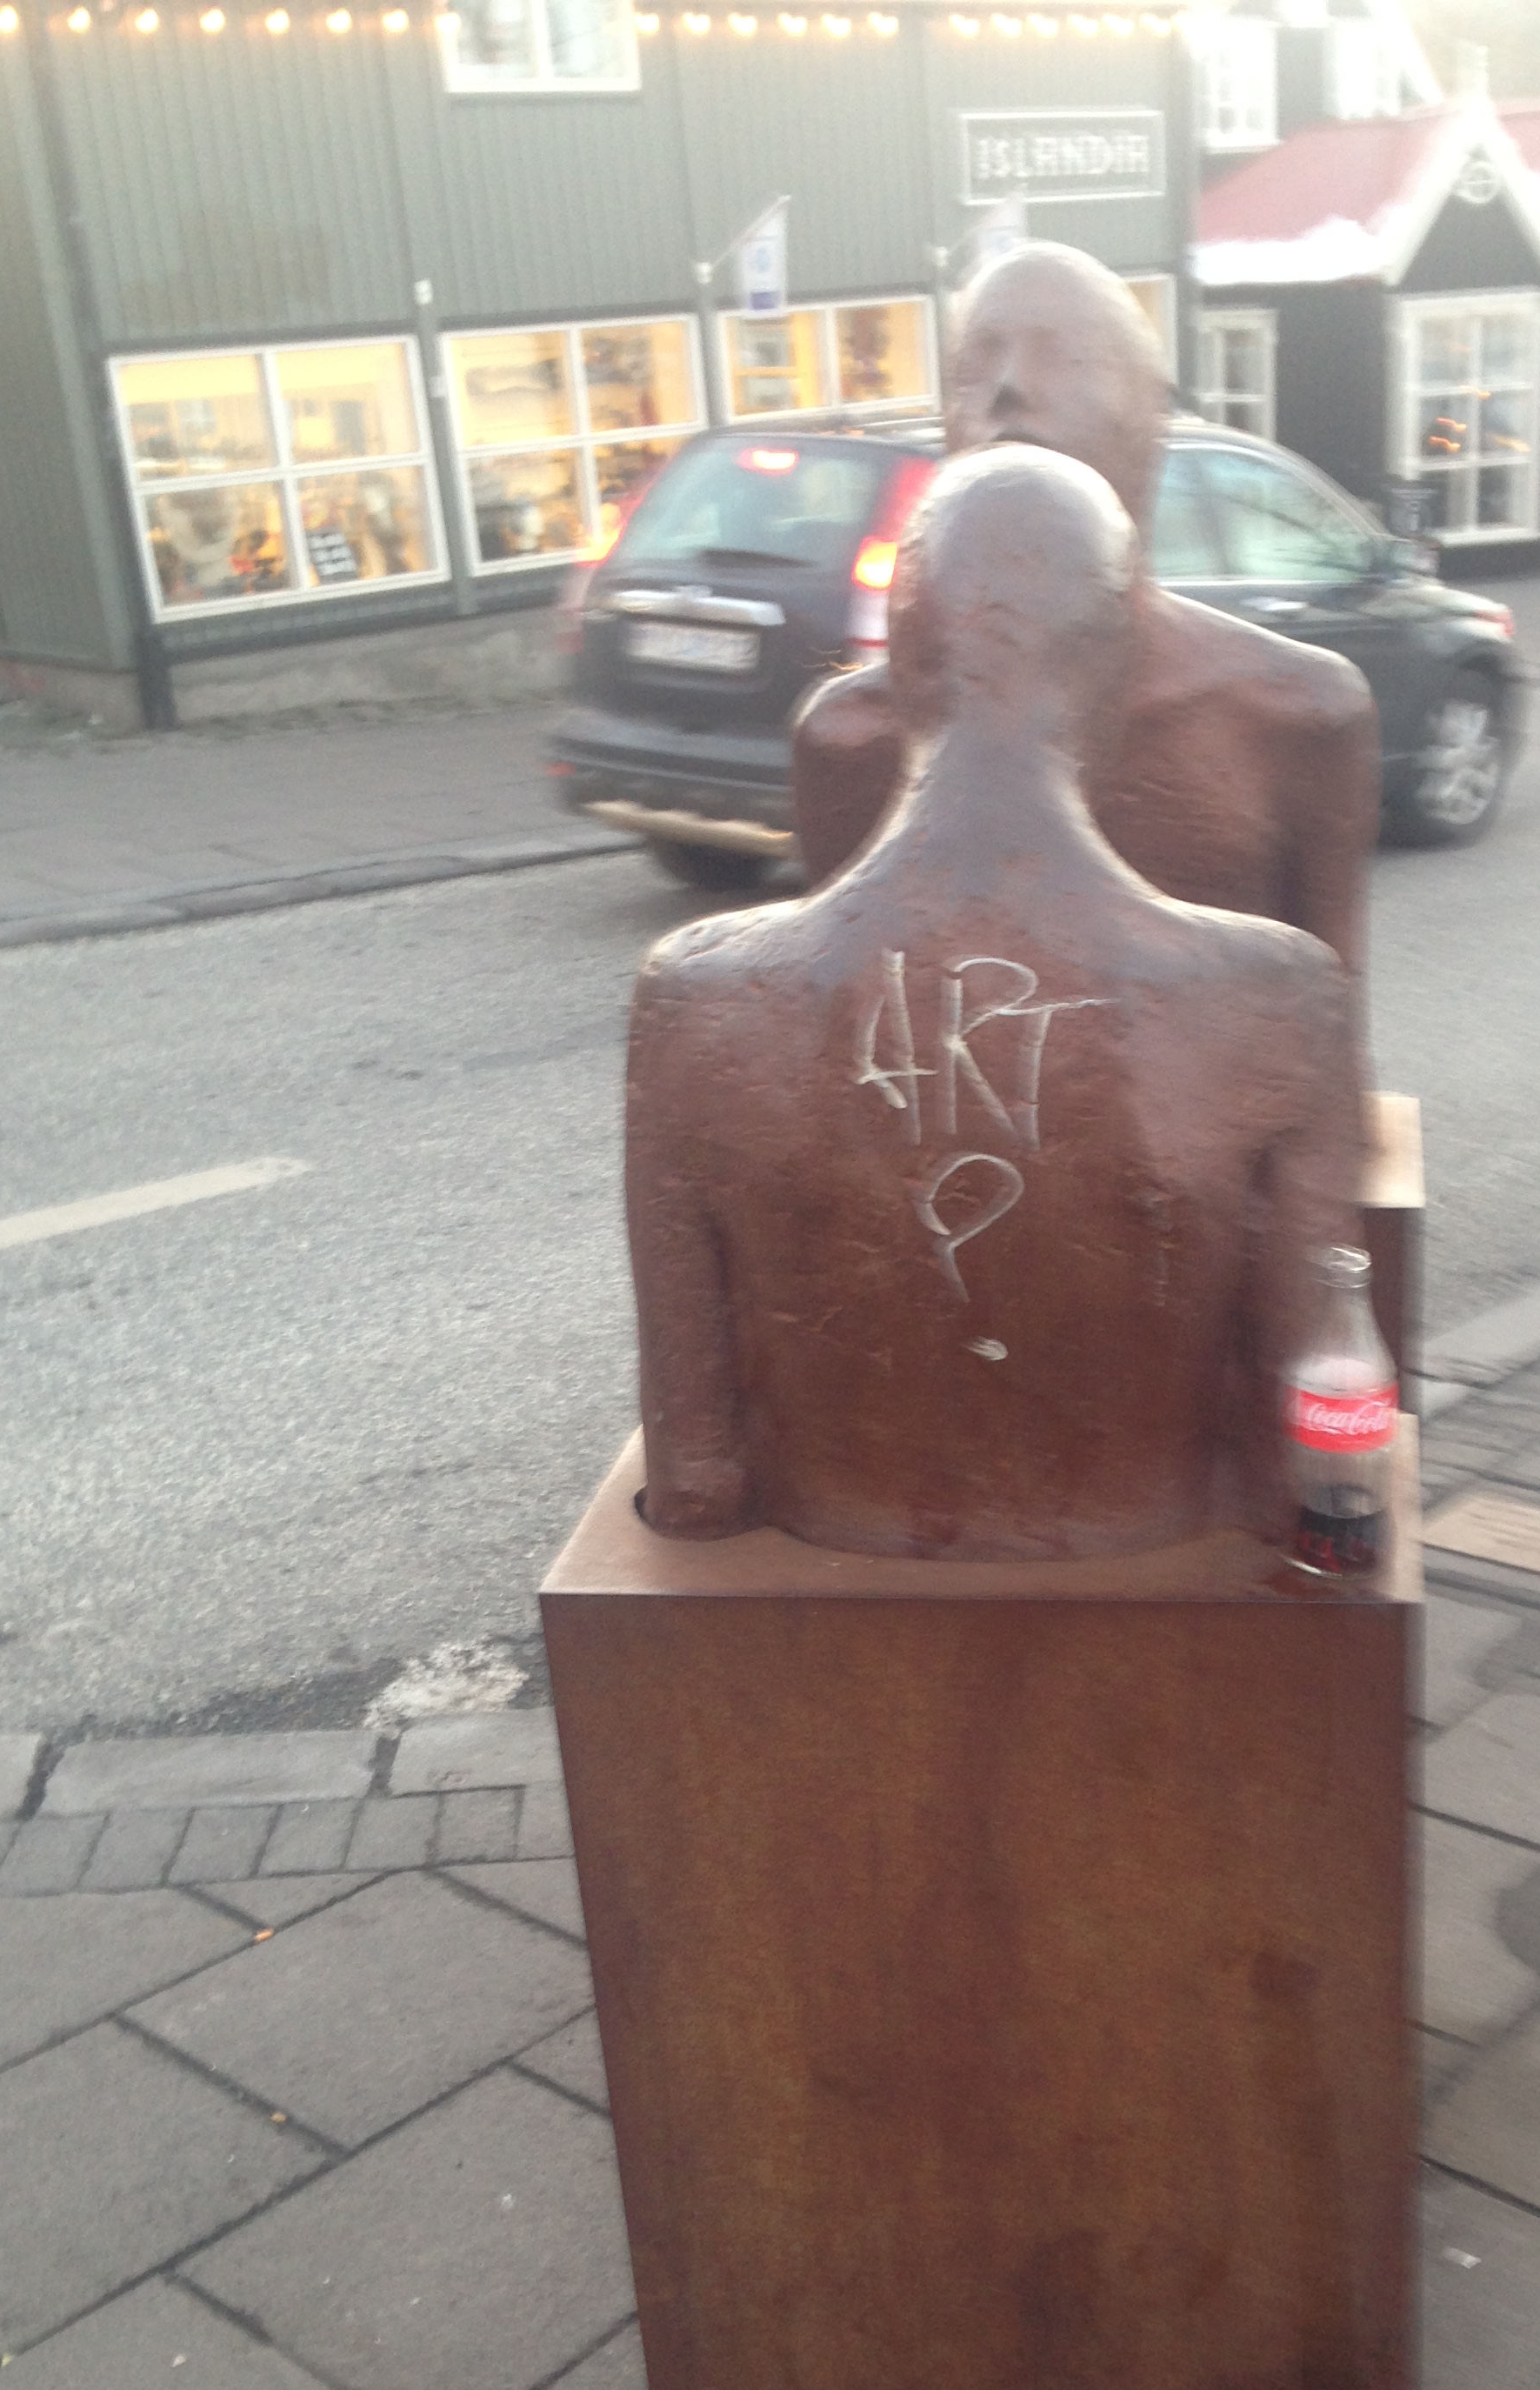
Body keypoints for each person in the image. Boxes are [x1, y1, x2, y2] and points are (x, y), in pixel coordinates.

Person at [627, 447, 1361, 1561]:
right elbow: (1303, 1454)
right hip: (1155, 1592)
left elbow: (694, 1479)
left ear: (898, 665)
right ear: (1117, 673)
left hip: (828, 1608)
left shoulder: (698, 999)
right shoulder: (1275, 996)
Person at [792, 243, 1378, 1129]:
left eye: (1063, 357)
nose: (1007, 390)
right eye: (974, 366)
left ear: (1153, 417)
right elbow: (850, 1054)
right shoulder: (854, 738)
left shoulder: (1296, 714)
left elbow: (1330, 1070)